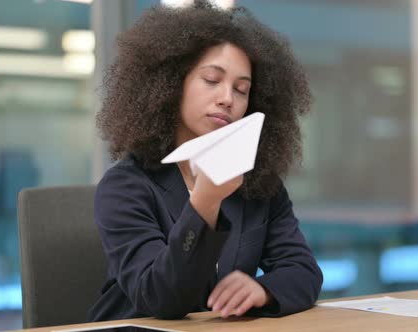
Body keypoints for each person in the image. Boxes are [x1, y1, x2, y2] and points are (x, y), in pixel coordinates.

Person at [88, 0, 322, 322]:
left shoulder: (258, 184)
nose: (228, 98)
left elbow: (304, 272)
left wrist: (263, 289)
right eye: (212, 80)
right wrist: (204, 204)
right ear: (170, 84)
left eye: (242, 90)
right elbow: (161, 299)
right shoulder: (125, 186)